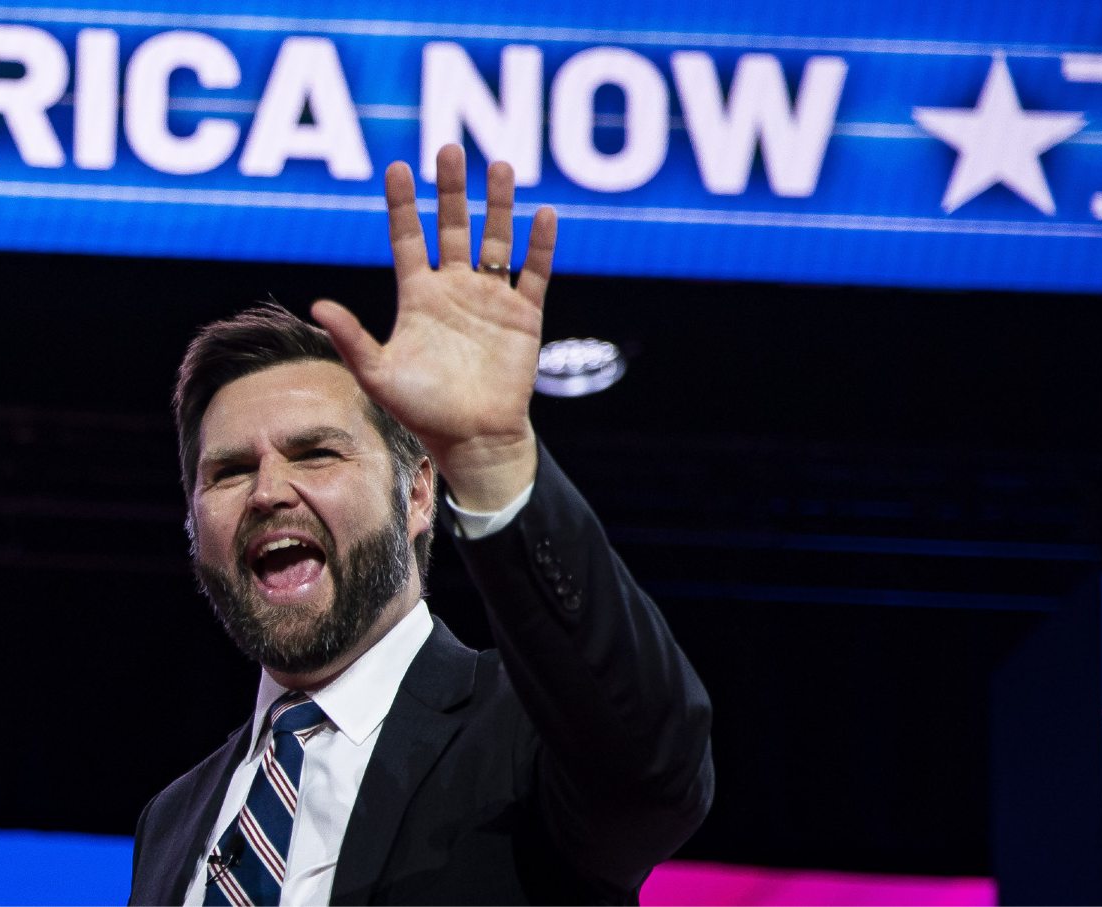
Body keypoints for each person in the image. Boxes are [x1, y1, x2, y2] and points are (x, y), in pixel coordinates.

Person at [127, 144, 714, 906]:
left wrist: (493, 455)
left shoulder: (525, 734)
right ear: (191, 519)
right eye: (229, 471)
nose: (269, 490)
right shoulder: (171, 820)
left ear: (417, 495)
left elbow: (658, 770)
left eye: (315, 453)